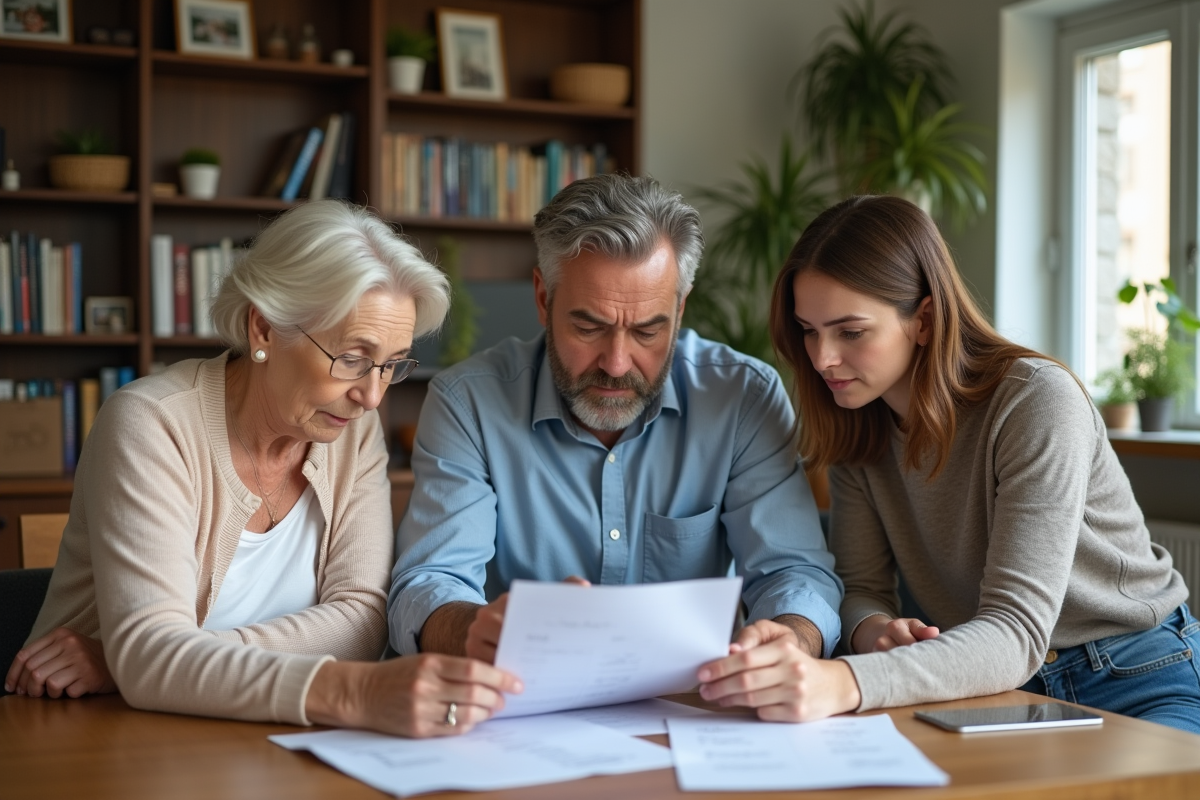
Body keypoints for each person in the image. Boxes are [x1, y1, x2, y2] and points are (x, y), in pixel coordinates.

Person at [5, 201, 521, 738]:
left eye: (392, 364)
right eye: (351, 357)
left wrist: (144, 661)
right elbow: (152, 659)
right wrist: (352, 690)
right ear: (265, 329)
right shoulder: (151, 425)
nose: (371, 395)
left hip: (259, 739)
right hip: (95, 736)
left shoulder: (350, 432)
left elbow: (365, 619)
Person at [388, 174, 843, 722]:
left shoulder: (743, 397)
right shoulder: (469, 403)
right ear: (542, 298)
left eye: (649, 331)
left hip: (694, 715)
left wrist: (790, 640)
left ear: (680, 310)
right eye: (589, 326)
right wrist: (471, 629)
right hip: (522, 717)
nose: (617, 363)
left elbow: (795, 572)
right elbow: (428, 583)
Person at [755, 194, 1200, 732]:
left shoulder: (1036, 400)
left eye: (850, 332)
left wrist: (848, 680)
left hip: (1135, 672)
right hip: (995, 683)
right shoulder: (858, 425)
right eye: (808, 329)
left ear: (923, 319)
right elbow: (861, 586)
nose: (822, 357)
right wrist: (873, 630)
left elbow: (1016, 629)